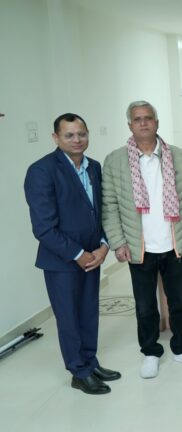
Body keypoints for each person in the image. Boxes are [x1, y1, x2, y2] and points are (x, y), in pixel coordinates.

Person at [102, 101, 182, 378]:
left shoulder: (176, 155)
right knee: (145, 306)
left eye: (148, 118)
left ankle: (181, 348)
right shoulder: (115, 160)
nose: (143, 123)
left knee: (178, 302)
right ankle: (150, 352)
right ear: (130, 125)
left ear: (157, 122)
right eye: (137, 119)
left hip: (174, 242)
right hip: (139, 246)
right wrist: (118, 242)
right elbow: (109, 206)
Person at [24, 113, 121, 395]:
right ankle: (79, 372)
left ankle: (90, 362)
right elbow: (43, 227)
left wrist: (103, 245)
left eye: (81, 134)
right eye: (69, 135)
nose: (77, 140)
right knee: (69, 318)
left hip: (93, 255)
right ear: (56, 138)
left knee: (89, 313)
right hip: (62, 261)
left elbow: (100, 211)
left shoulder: (94, 167)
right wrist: (78, 254)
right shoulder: (42, 171)